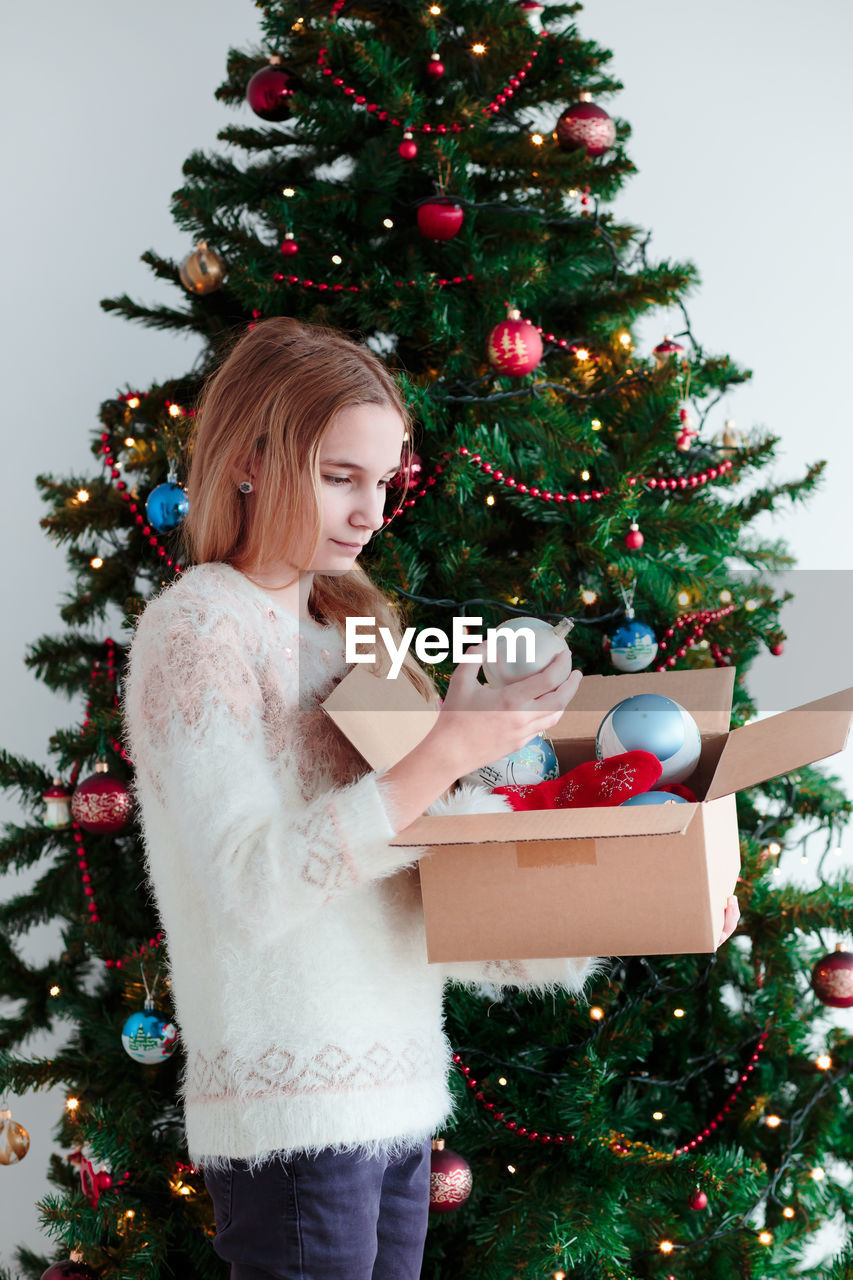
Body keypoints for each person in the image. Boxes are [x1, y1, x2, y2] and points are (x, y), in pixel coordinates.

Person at [122, 316, 739, 1280]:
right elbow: (248, 888)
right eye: (339, 476)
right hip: (294, 1120)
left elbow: (432, 888)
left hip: (399, 1100)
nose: (370, 511)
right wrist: (440, 752)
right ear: (249, 459)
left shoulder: (351, 634)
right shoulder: (197, 629)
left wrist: (650, 899)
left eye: (383, 481)